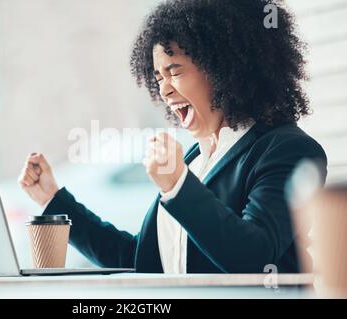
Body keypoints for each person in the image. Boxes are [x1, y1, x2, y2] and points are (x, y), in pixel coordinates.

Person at [18, 0, 327, 273]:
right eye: (158, 77)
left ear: (223, 67)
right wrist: (52, 199)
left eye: (175, 71)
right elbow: (140, 258)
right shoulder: (194, 159)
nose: (164, 90)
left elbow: (254, 257)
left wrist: (177, 186)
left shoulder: (287, 150)